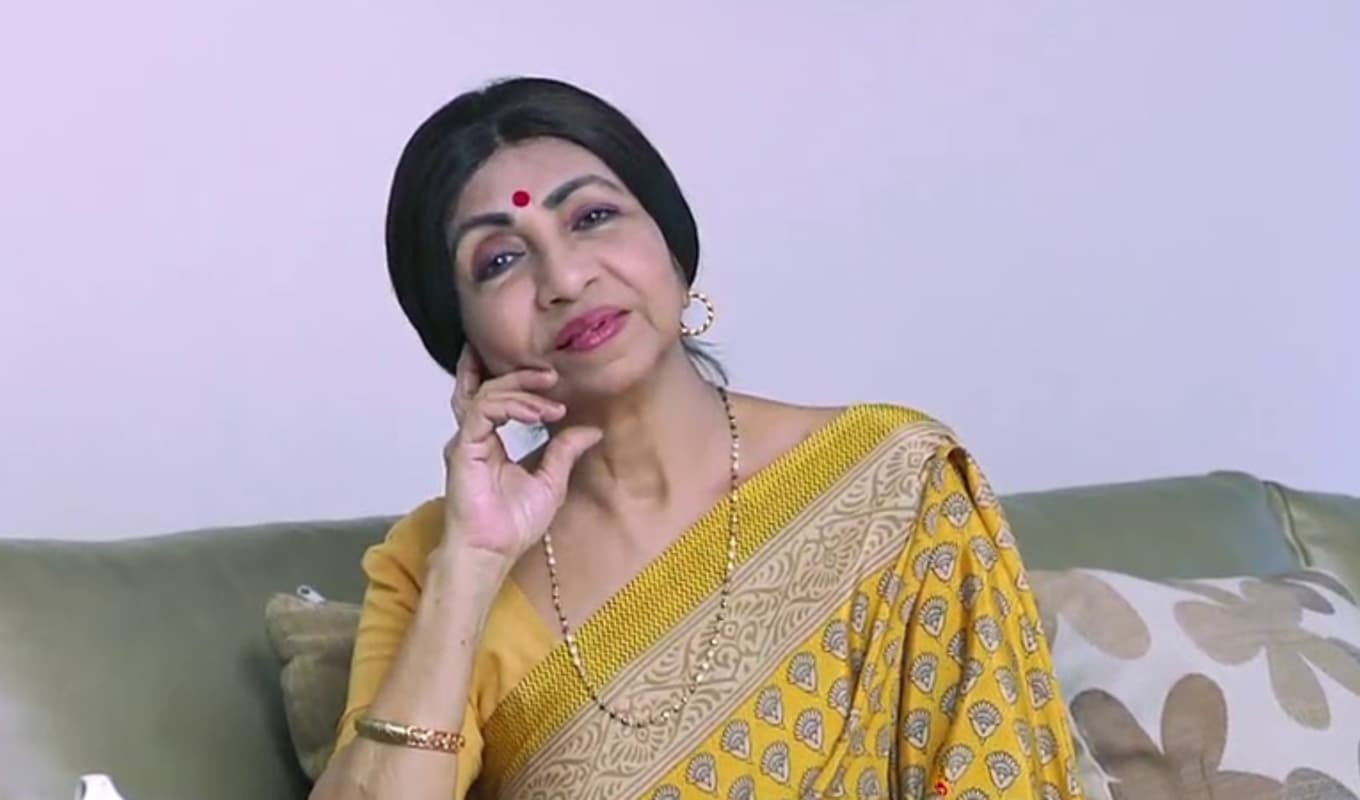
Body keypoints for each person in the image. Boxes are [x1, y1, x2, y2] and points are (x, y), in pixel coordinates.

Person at [311, 76, 1084, 800]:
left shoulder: (895, 484)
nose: (567, 279)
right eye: (501, 260)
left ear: (673, 250)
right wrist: (472, 570)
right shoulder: (434, 562)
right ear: (464, 341)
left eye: (591, 218)